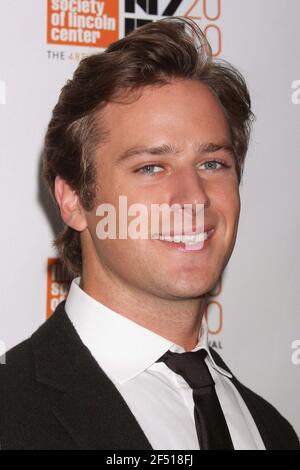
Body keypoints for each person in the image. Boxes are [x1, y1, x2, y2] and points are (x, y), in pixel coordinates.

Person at [0, 17, 299, 450]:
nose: (193, 197)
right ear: (74, 201)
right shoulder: (10, 414)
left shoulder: (272, 431)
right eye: (151, 168)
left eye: (213, 163)